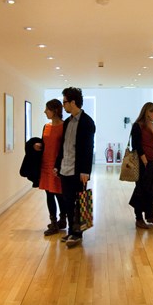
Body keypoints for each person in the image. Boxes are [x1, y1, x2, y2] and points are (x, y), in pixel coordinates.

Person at [54, 87, 96, 248]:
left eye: (64, 102)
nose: (63, 105)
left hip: (78, 171)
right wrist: (58, 165)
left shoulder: (87, 122)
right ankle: (72, 231)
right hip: (65, 168)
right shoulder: (67, 122)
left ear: (73, 102)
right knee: (67, 201)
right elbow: (63, 146)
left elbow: (88, 148)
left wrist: (86, 171)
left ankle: (77, 233)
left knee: (79, 203)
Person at [129, 102, 153, 229]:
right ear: (148, 112)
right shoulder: (137, 126)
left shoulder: (152, 126)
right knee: (141, 190)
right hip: (143, 163)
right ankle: (139, 218)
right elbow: (136, 146)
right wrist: (145, 162)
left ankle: (150, 215)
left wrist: (151, 127)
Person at [36, 99, 67, 236]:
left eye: (47, 109)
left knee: (60, 194)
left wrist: (59, 165)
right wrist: (37, 146)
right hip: (45, 164)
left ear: (54, 110)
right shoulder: (46, 126)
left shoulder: (65, 126)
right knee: (49, 193)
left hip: (58, 166)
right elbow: (45, 143)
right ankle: (53, 222)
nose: (44, 112)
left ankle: (63, 219)